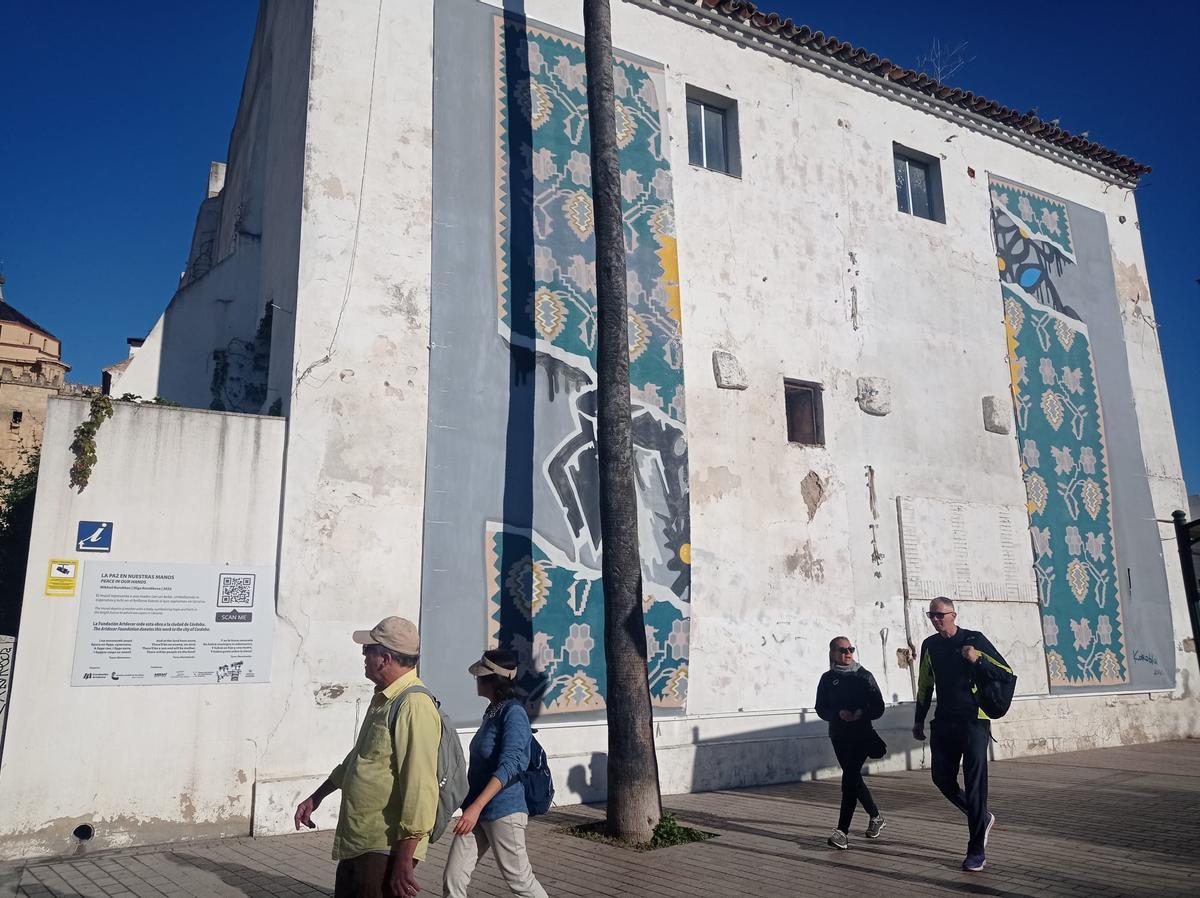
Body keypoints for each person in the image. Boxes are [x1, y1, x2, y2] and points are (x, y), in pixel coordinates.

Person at [294, 616, 441, 898]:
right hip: (362, 839)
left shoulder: (413, 705)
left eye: (367, 651)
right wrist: (317, 796)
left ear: (384, 658)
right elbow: (359, 759)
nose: (363, 657)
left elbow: (421, 789)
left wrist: (403, 860)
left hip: (385, 845)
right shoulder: (384, 698)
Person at [912, 596, 1014, 872]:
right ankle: (980, 816)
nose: (934, 620)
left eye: (939, 615)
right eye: (930, 615)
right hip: (945, 721)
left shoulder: (974, 639)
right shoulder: (930, 646)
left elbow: (1006, 673)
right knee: (940, 778)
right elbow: (925, 685)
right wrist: (919, 719)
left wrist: (978, 659)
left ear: (953, 615)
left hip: (974, 722)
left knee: (975, 784)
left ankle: (976, 850)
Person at [442, 650, 549, 898]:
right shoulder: (493, 711)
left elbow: (511, 764)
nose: (476, 680)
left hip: (503, 810)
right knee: (453, 878)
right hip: (477, 811)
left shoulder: (513, 713)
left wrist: (476, 807)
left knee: (521, 882)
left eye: (480, 676)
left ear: (492, 680)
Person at [815, 636, 887, 849]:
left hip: (862, 736)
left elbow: (879, 707)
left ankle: (842, 832)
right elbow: (821, 708)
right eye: (842, 650)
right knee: (854, 779)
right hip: (839, 736)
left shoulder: (864, 676)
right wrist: (837, 714)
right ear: (833, 653)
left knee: (848, 781)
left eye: (851, 649)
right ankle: (876, 817)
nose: (847, 653)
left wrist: (859, 714)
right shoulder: (827, 679)